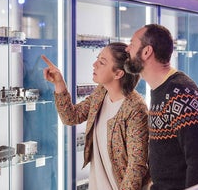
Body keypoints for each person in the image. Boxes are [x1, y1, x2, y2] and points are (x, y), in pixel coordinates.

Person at [42, 42, 150, 190]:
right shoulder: (101, 92)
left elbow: (136, 166)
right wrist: (59, 83)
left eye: (102, 62)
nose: (94, 64)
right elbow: (71, 117)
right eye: (97, 59)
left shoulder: (135, 109)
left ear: (118, 73)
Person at [124, 24, 198, 190]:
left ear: (146, 52)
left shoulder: (180, 95)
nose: (127, 49)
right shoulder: (162, 89)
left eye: (132, 44)